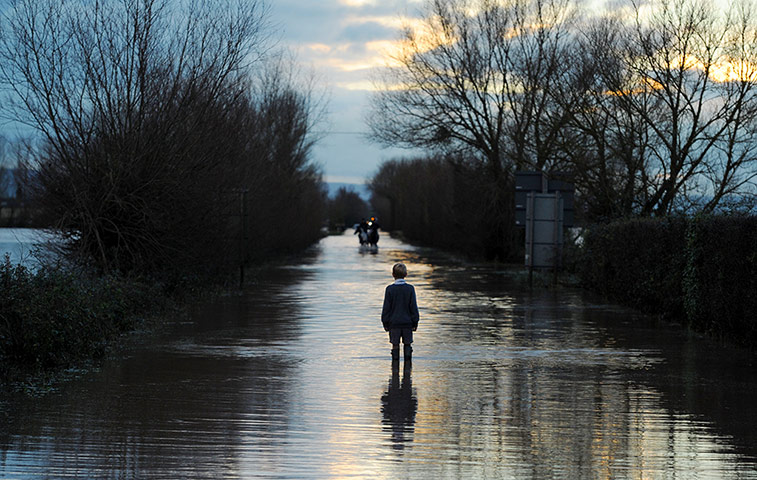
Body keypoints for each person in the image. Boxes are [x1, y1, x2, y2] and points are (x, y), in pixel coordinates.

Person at [381, 263, 419, 362]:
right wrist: (415, 322)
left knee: (395, 345)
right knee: (408, 344)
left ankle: (395, 368)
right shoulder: (410, 289)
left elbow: (386, 308)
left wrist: (385, 323)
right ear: (406, 274)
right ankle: (408, 368)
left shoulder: (390, 289)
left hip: (394, 323)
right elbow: (413, 307)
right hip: (407, 323)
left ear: (393, 274)